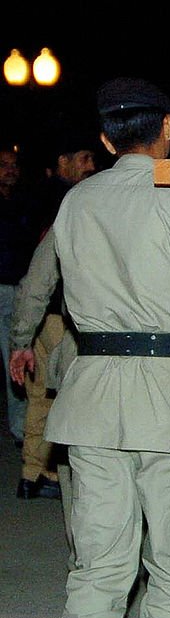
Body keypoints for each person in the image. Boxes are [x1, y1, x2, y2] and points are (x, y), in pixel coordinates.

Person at [44, 77, 170, 618]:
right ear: (167, 129)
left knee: (98, 565)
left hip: (93, 396)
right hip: (168, 399)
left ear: (106, 141)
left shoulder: (76, 201)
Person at [10, 131, 96, 501]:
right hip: (62, 314)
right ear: (63, 162)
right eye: (83, 158)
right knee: (63, 396)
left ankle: (32, 473)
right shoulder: (72, 200)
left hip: (39, 312)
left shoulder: (29, 197)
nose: (91, 167)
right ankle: (62, 474)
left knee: (39, 395)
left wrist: (22, 335)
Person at [0, 146, 33, 444]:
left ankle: (20, 429)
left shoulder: (24, 203)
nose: (9, 170)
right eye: (3, 165)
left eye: (13, 165)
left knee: (12, 357)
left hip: (12, 289)